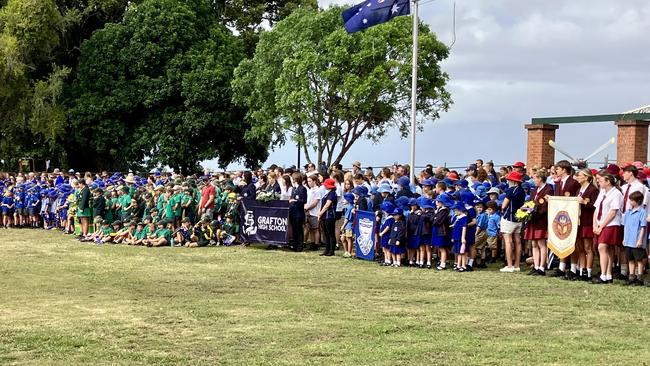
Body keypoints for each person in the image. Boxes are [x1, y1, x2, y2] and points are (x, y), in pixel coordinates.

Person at [550, 160, 581, 278]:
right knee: (562, 239)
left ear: (564, 169)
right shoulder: (557, 183)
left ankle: (573, 268)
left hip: (571, 217)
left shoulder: (573, 183)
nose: (556, 171)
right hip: (560, 216)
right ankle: (561, 267)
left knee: (572, 241)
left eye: (558, 169)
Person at [592, 171, 623, 284]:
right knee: (608, 249)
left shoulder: (616, 193)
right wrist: (595, 224)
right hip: (600, 223)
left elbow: (613, 212)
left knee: (602, 247)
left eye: (601, 180)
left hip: (611, 224)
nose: (598, 182)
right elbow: (596, 209)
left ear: (608, 181)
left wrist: (602, 226)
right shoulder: (602, 192)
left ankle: (603, 274)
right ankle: (609, 275)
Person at [618, 165, 647, 280]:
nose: (623, 174)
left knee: (638, 256)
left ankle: (638, 275)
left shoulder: (639, 187)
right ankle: (626, 273)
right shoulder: (624, 187)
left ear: (631, 173)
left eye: (624, 172)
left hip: (636, 224)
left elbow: (642, 204)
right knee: (625, 251)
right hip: (626, 218)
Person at [524, 169, 553, 276]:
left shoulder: (548, 189)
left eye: (535, 178)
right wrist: (525, 211)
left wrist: (535, 214)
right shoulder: (535, 190)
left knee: (541, 243)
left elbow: (545, 207)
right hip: (532, 219)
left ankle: (542, 267)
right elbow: (530, 202)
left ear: (540, 178)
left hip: (541, 219)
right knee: (534, 243)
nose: (533, 180)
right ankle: (535, 266)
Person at [575, 168, 599, 281]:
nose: (577, 177)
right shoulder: (579, 189)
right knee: (580, 248)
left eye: (579, 175)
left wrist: (585, 202)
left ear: (586, 177)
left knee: (588, 247)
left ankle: (588, 271)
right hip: (578, 221)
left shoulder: (593, 190)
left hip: (587, 221)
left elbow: (595, 207)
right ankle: (581, 269)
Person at [499, 171, 526, 273]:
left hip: (508, 218)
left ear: (513, 181)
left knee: (508, 242)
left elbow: (504, 205)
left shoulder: (511, 190)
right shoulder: (522, 190)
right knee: (517, 241)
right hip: (518, 218)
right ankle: (517, 265)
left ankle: (510, 265)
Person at [621, 191, 647, 286]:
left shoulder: (642, 212)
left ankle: (640, 278)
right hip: (628, 240)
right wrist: (624, 238)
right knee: (630, 260)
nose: (630, 202)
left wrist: (640, 240)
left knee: (639, 260)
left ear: (638, 201)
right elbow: (625, 226)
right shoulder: (628, 212)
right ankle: (631, 277)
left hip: (636, 241)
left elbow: (643, 227)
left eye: (632, 200)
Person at [318, 178, 338, 257]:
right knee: (326, 233)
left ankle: (331, 250)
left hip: (329, 216)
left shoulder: (332, 194)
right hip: (325, 216)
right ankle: (327, 249)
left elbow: (327, 205)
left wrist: (320, 213)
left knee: (330, 233)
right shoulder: (328, 193)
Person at [288, 173, 307, 252]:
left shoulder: (302, 188)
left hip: (298, 212)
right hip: (292, 211)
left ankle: (300, 245)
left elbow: (304, 200)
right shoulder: (293, 188)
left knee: (299, 229)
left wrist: (295, 200)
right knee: (294, 229)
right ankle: (295, 244)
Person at [433, 193, 452, 270]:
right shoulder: (439, 210)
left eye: (439, 201)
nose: (437, 202)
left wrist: (434, 218)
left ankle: (443, 264)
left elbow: (437, 221)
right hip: (438, 231)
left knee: (442, 248)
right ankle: (442, 262)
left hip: (442, 231)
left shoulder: (444, 211)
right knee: (440, 248)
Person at [304, 175, 322, 250]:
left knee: (316, 229)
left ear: (314, 181)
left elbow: (316, 202)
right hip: (308, 212)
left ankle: (316, 243)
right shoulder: (309, 190)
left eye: (310, 181)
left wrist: (308, 207)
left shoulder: (317, 190)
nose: (308, 183)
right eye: (308, 181)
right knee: (310, 228)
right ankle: (312, 242)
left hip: (315, 212)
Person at [379, 201, 396, 266]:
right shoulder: (387, 218)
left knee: (387, 248)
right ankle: (386, 260)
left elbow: (388, 227)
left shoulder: (390, 218)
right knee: (384, 248)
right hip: (384, 236)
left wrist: (382, 233)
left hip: (387, 235)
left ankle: (389, 260)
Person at [340, 193, 355, 258]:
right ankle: (346, 251)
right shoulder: (348, 207)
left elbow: (347, 218)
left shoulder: (350, 208)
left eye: (345, 199)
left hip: (349, 226)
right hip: (347, 226)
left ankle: (349, 252)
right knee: (343, 238)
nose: (344, 200)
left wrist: (343, 226)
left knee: (349, 239)